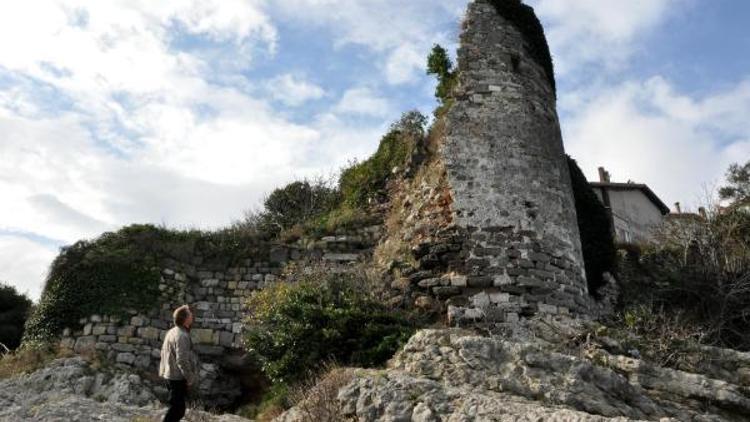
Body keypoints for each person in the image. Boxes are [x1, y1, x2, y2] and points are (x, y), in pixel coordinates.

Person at [159, 304, 199, 422]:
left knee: (177, 409)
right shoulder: (182, 336)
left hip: (170, 374)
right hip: (176, 378)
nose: (192, 317)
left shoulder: (172, 331)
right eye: (190, 315)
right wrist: (189, 377)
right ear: (185, 318)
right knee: (177, 409)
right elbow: (181, 360)